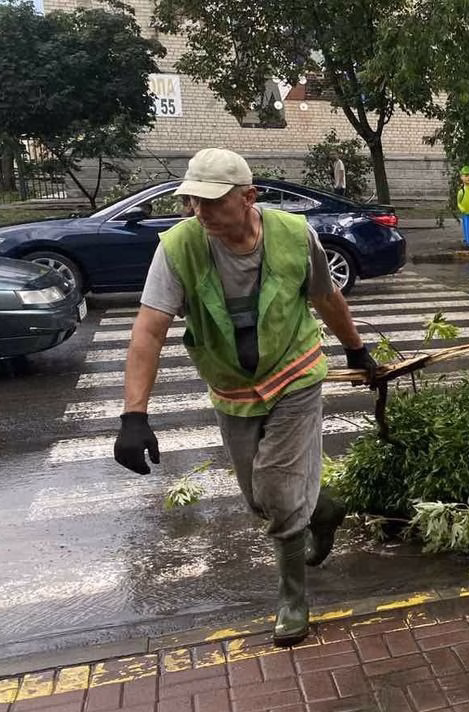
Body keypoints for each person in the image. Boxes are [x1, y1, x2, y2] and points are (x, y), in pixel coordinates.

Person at [113, 148, 378, 647]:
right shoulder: (178, 248)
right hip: (232, 388)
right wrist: (133, 415)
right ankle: (324, 510)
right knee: (259, 498)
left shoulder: (295, 235)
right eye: (193, 201)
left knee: (277, 490)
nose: (201, 211)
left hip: (295, 375)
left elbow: (325, 296)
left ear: (248, 197)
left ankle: (292, 598)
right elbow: (149, 330)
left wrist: (356, 350)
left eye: (213, 201)